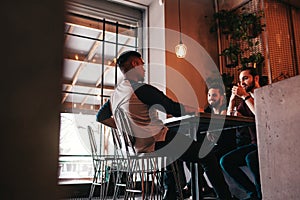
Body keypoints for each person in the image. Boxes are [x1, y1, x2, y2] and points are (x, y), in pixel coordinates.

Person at [96, 50, 235, 200]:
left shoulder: (116, 94)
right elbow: (173, 108)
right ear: (135, 64)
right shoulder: (141, 89)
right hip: (154, 141)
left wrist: (129, 129)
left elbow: (101, 117)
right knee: (206, 154)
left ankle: (170, 194)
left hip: (137, 146)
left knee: (173, 146)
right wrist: (197, 110)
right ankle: (225, 197)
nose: (144, 68)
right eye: (142, 64)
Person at [182, 83, 237, 199]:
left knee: (206, 157)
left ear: (222, 96)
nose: (211, 98)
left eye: (214, 95)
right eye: (209, 95)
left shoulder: (227, 110)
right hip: (212, 147)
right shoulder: (206, 112)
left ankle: (193, 188)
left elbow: (226, 131)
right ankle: (204, 188)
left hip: (225, 146)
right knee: (189, 158)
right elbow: (200, 132)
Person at [220, 67, 262, 200]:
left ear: (255, 78)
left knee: (251, 158)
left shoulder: (264, 95)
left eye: (245, 78)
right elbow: (230, 119)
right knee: (225, 161)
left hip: (268, 143)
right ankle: (253, 193)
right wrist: (232, 100)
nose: (242, 83)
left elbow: (260, 114)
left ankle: (262, 195)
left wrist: (245, 96)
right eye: (240, 80)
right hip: (255, 144)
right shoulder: (244, 103)